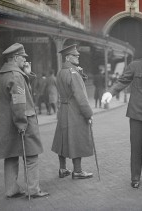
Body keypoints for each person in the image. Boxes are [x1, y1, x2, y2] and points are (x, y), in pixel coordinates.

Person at [101, 37, 142, 188]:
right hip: (137, 113)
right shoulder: (135, 65)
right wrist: (110, 93)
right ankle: (135, 177)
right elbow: (122, 81)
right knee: (136, 147)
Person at [0, 43, 49, 198]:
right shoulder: (16, 76)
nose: (25, 60)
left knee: (11, 155)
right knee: (31, 156)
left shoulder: (4, 73)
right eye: (23, 57)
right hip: (21, 120)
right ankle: (33, 190)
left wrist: (27, 73)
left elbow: (18, 94)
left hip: (6, 122)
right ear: (15, 58)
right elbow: (19, 102)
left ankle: (12, 189)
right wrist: (22, 124)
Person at [51, 44, 94, 179]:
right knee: (77, 138)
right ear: (68, 57)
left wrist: (80, 74)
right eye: (75, 55)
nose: (78, 57)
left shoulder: (60, 72)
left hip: (63, 108)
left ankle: (63, 169)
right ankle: (77, 171)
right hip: (74, 110)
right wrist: (88, 114)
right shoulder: (73, 73)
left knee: (63, 139)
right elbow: (80, 97)